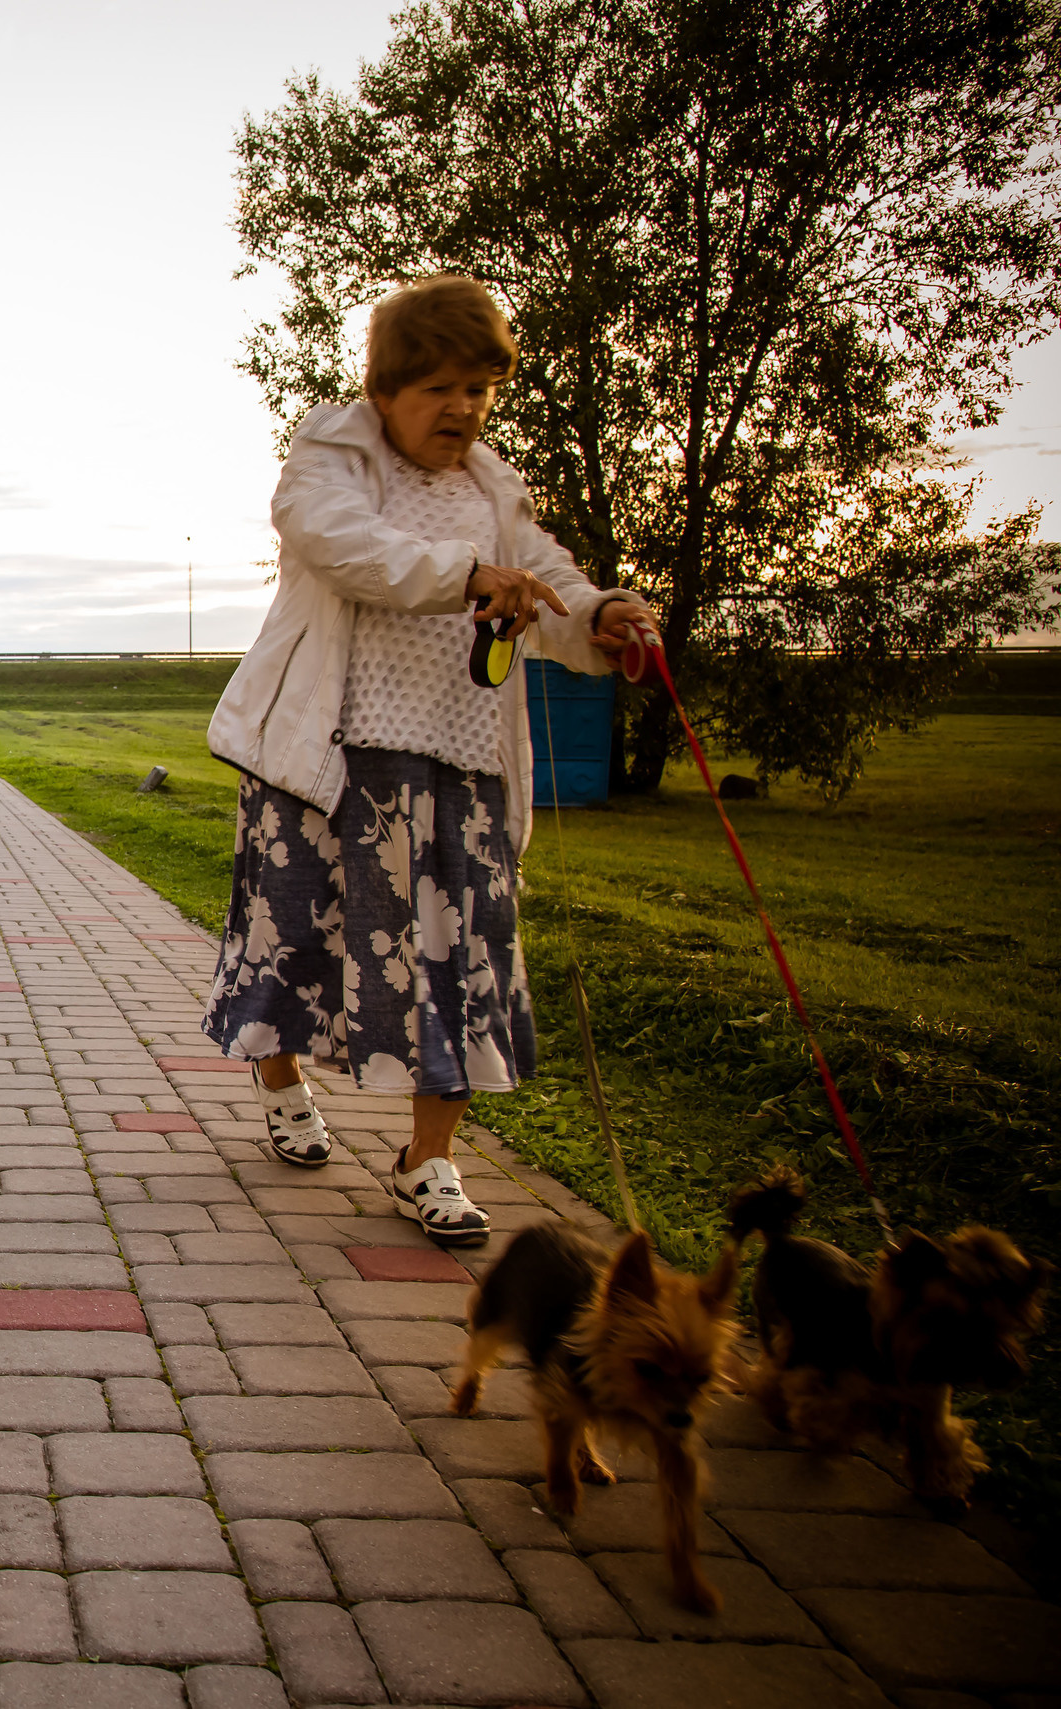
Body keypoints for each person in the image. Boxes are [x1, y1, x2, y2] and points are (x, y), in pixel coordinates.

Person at [202, 274, 654, 1248]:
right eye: (439, 387)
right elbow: (347, 547)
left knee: (460, 961)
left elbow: (553, 587)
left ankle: (427, 1160)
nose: (462, 409)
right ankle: (280, 1085)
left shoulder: (494, 490)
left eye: (480, 388)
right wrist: (465, 575)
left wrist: (600, 618)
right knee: (297, 943)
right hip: (327, 763)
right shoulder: (329, 456)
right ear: (385, 388)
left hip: (459, 767)